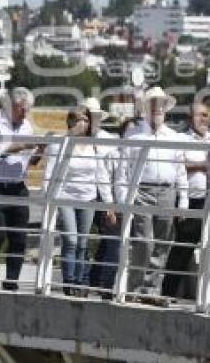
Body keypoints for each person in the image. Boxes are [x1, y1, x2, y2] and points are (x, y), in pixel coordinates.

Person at [117, 86, 189, 299]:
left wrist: (183, 199)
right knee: (144, 242)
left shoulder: (174, 137)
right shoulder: (134, 137)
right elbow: (123, 170)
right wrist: (123, 198)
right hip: (143, 191)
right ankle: (135, 287)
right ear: (146, 108)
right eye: (153, 104)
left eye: (161, 105)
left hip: (168, 191)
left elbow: (180, 169)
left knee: (162, 244)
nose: (157, 109)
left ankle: (151, 289)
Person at [44, 105, 115, 296]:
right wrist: (47, 195)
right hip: (65, 196)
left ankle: (79, 281)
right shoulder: (60, 142)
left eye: (85, 120)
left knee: (83, 243)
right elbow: (50, 168)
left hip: (88, 198)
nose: (82, 124)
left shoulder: (93, 145)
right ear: (70, 123)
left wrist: (109, 205)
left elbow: (102, 176)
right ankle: (69, 281)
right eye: (78, 120)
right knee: (71, 240)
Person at [0, 87, 42, 290]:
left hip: (18, 187)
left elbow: (31, 162)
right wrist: (22, 145)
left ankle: (11, 281)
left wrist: (40, 149)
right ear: (11, 105)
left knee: (19, 237)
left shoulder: (27, 126)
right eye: (23, 109)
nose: (25, 113)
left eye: (28, 109)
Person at [161, 101, 210, 300]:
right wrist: (202, 165)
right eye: (199, 115)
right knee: (182, 248)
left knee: (209, 247)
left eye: (206, 115)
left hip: (208, 201)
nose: (203, 119)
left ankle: (203, 295)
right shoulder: (180, 138)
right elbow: (177, 165)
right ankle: (168, 291)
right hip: (186, 200)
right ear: (190, 119)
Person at [82, 97, 122, 298]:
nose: (91, 121)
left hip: (104, 196)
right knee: (82, 240)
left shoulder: (110, 141)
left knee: (108, 239)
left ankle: (97, 279)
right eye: (88, 116)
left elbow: (116, 171)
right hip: (83, 195)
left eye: (94, 117)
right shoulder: (75, 140)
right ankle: (85, 279)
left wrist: (113, 202)